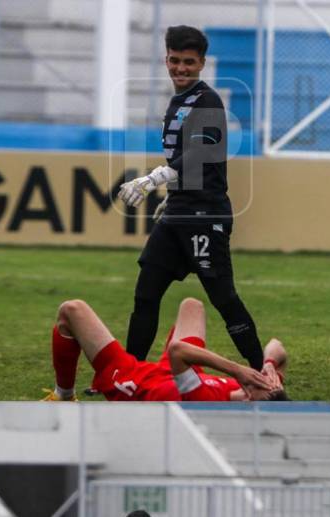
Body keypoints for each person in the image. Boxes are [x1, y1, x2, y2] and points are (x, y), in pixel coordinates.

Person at [117, 25, 264, 374]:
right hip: (180, 212)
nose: (180, 68)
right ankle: (128, 376)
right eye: (174, 60)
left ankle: (263, 373)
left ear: (201, 63)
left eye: (188, 62)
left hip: (204, 215)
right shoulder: (177, 101)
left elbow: (201, 151)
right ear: (165, 59)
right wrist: (174, 194)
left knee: (224, 299)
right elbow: (189, 159)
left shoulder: (207, 100)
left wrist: (157, 177)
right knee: (146, 294)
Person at [45, 297, 286, 402]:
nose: (261, 384)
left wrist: (237, 371)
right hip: (173, 374)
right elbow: (277, 346)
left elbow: (178, 351)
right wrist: (269, 366)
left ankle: (63, 395)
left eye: (261, 390)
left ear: (250, 405)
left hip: (131, 380)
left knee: (71, 310)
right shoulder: (259, 390)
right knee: (192, 305)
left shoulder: (204, 400)